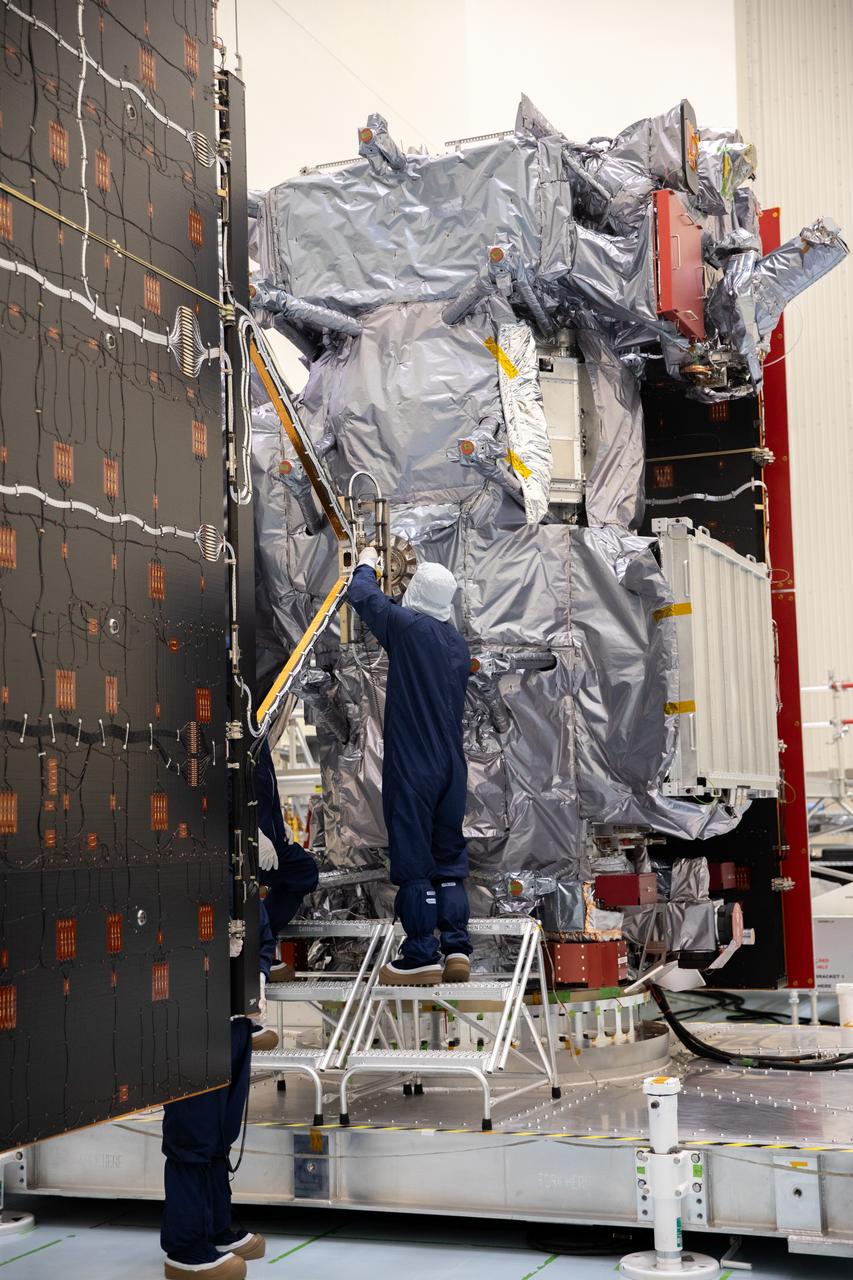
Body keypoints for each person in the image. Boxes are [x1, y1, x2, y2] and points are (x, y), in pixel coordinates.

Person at [348, 549, 473, 985]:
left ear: (416, 591)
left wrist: (367, 562)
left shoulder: (408, 628)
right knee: (449, 860)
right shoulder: (457, 645)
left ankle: (420, 954)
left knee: (414, 861)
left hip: (415, 765)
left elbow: (361, 594)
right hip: (451, 769)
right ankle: (456, 948)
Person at [160, 902, 275, 1279]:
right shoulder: (172, 880)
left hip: (235, 1022)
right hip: (190, 1020)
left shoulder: (237, 878)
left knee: (221, 1132)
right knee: (192, 1135)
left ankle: (215, 1228)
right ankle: (185, 1247)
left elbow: (262, 934)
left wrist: (258, 976)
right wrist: (203, 950)